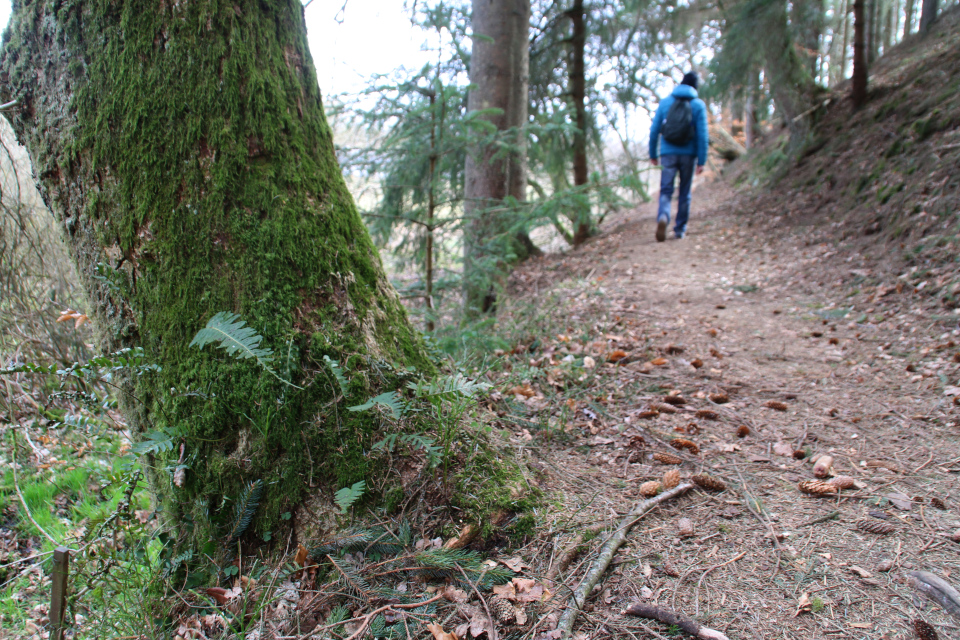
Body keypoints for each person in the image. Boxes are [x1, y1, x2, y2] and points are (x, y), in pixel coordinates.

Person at [648, 72, 709, 242]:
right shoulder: (698, 105)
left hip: (668, 153)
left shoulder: (666, 103)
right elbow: (702, 135)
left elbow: (654, 130)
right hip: (688, 155)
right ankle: (680, 229)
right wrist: (701, 160)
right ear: (695, 87)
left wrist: (653, 153)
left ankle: (663, 217)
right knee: (684, 191)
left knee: (666, 190)